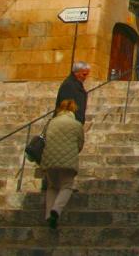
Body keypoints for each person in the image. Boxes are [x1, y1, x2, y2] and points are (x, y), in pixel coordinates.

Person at [39, 98, 85, 230]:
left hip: (49, 159)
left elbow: (44, 138)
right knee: (67, 186)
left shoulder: (51, 123)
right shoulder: (76, 125)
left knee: (52, 187)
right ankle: (56, 210)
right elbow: (80, 144)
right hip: (68, 161)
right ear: (73, 110)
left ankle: (48, 215)